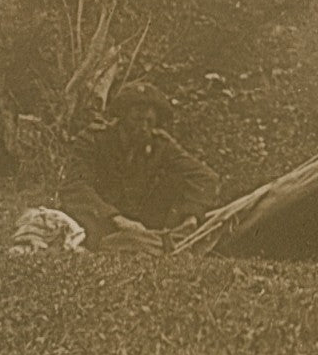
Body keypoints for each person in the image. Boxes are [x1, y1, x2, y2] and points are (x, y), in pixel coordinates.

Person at [60, 81, 219, 253]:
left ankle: (154, 243)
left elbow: (204, 177)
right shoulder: (94, 140)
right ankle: (155, 245)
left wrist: (191, 215)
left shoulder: (160, 144)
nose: (143, 127)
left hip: (142, 227)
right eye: (136, 120)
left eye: (149, 121)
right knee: (103, 240)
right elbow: (75, 187)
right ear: (121, 117)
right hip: (101, 222)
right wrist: (116, 218)